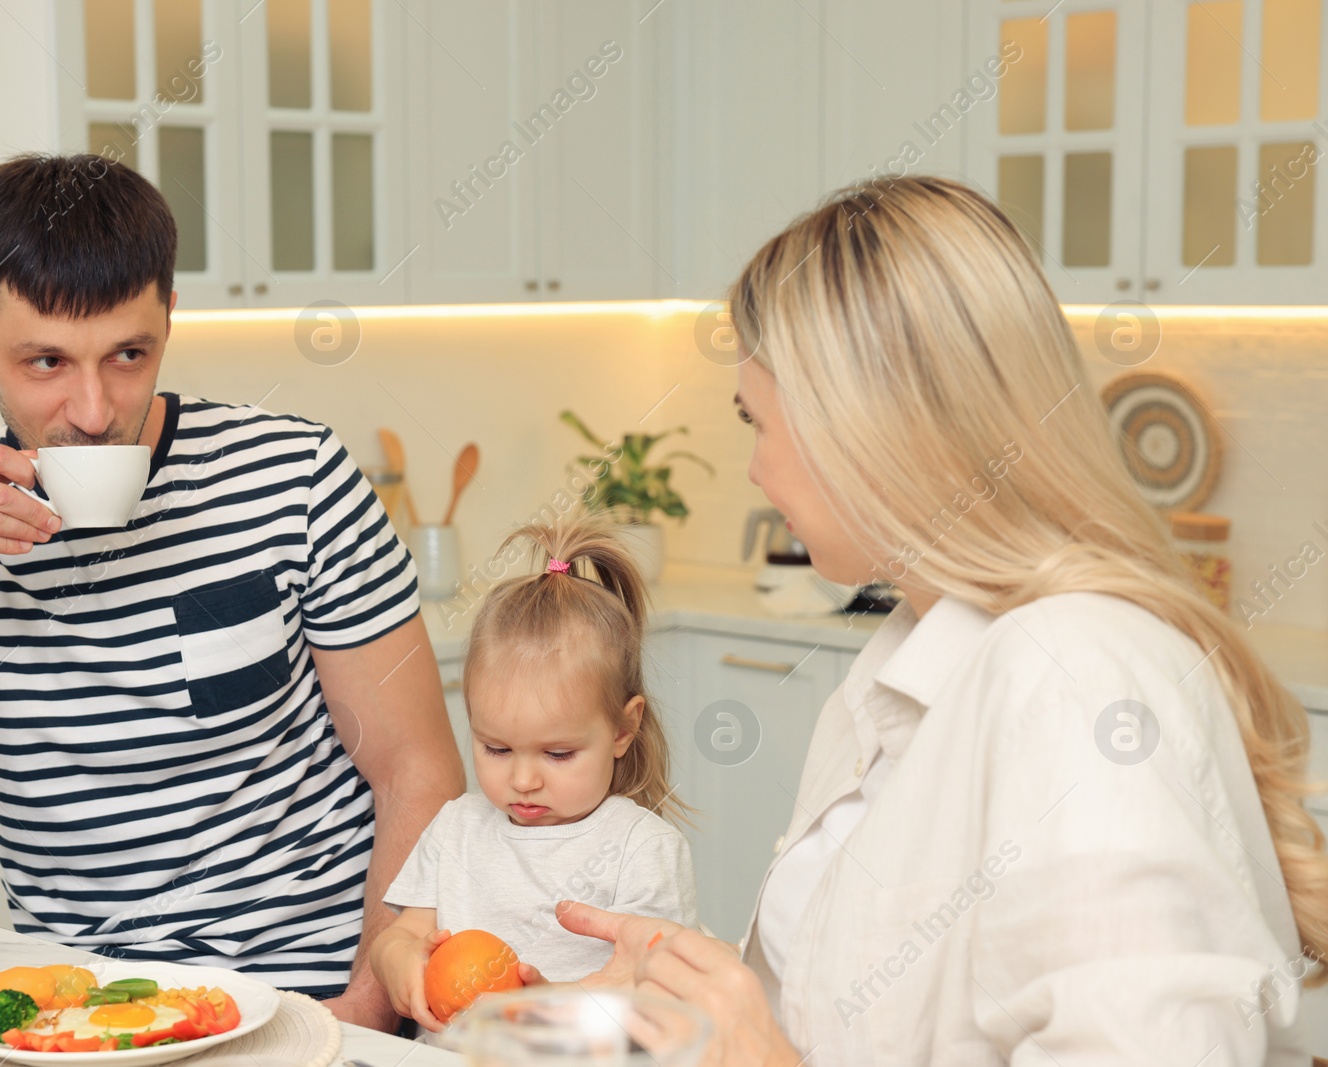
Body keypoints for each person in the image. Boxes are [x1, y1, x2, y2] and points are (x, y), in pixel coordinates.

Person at [544, 177, 1328, 1065]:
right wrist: (691, 997)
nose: (757, 471)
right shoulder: (910, 662)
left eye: (757, 422)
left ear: (868, 423)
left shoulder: (1077, 677)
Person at [0, 153, 464, 1031]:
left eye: (128, 353)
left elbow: (417, 769)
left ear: (168, 319)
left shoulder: (296, 477)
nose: (92, 408)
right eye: (45, 360)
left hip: (315, 995)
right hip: (88, 1018)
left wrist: (358, 1011)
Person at [369, 515, 696, 1032]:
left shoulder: (642, 848)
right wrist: (400, 964)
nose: (523, 780)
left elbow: (667, 992)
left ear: (622, 729)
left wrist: (558, 1004)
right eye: (496, 748)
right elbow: (401, 935)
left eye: (558, 754)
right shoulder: (457, 828)